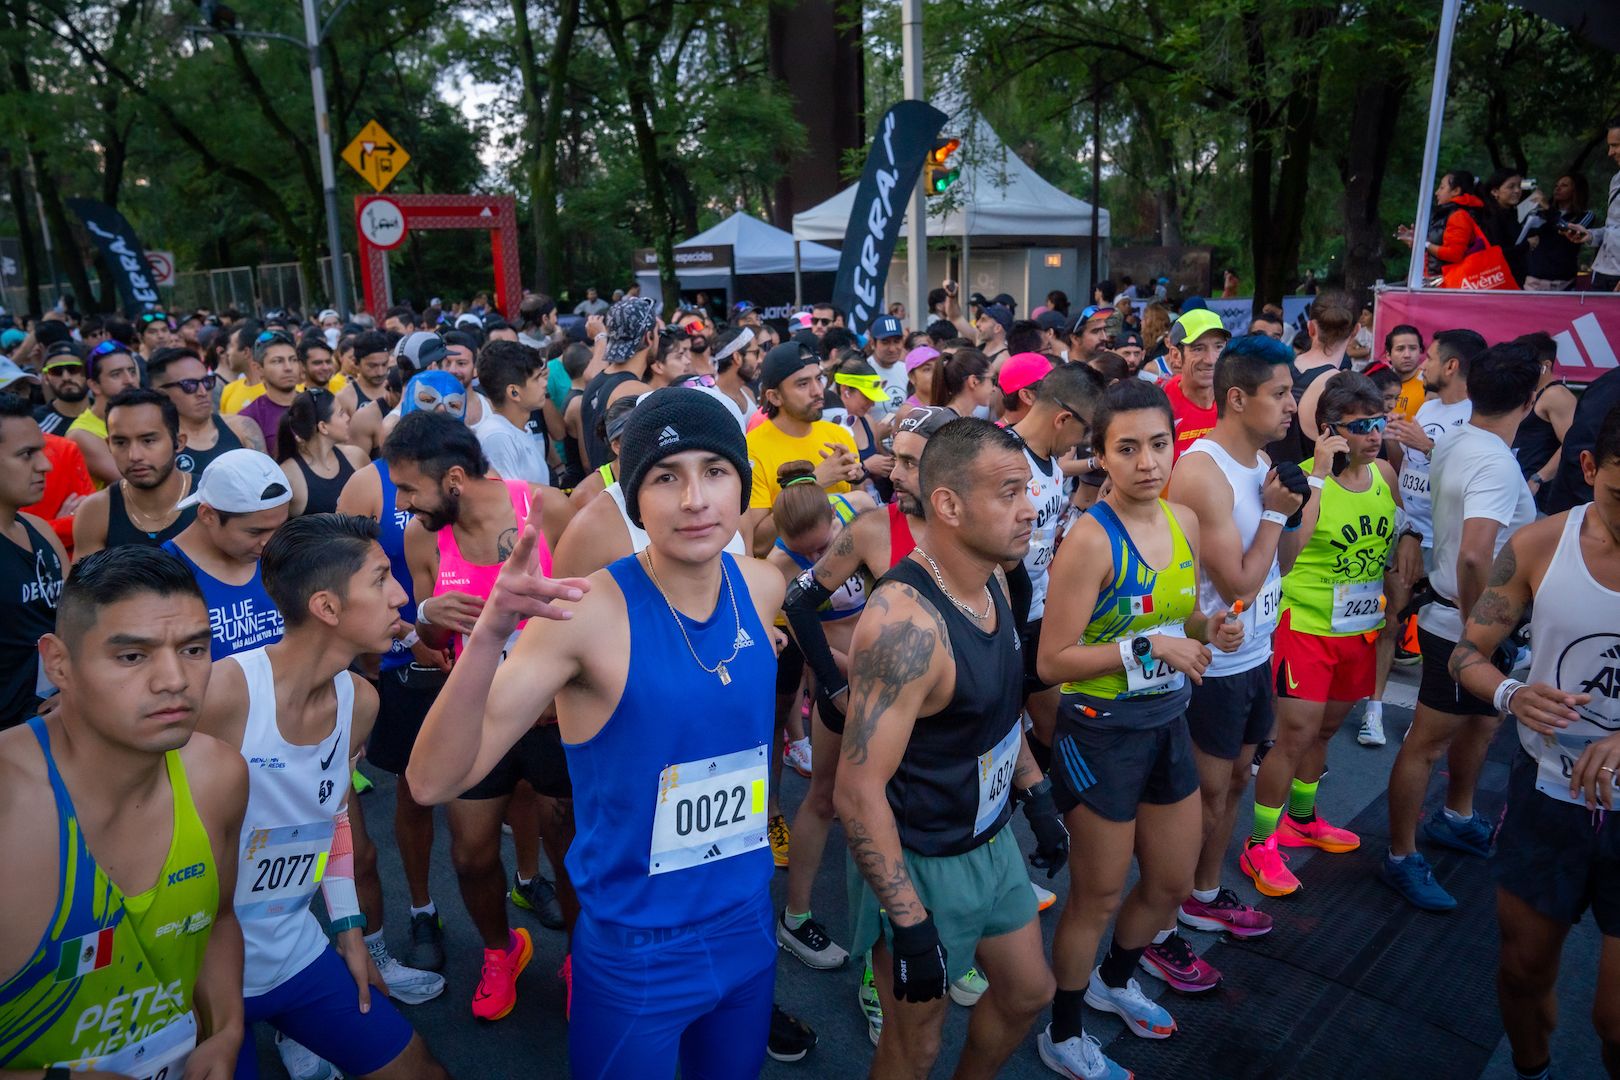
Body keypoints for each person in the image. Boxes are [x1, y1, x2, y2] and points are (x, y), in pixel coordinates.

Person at [409, 388, 806, 1077]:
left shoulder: (760, 585)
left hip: (747, 925)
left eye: (715, 471)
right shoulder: (587, 613)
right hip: (636, 947)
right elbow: (430, 780)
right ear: (634, 498)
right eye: (665, 477)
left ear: (741, 483)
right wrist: (494, 633)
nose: (694, 499)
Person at [836, 417, 1066, 1080]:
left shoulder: (993, 576)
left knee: (1028, 992)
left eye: (1028, 490)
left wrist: (1035, 791)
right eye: (1010, 493)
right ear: (948, 504)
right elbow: (856, 791)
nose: (1031, 510)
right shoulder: (903, 624)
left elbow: (995, 712)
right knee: (916, 1046)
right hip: (925, 861)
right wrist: (907, 920)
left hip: (992, 844)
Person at [196, 514, 449, 1080]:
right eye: (381, 579)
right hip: (201, 973)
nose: (402, 595)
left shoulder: (361, 701)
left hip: (296, 952)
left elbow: (330, 815)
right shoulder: (224, 693)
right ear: (327, 608)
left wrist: (350, 933)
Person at [1037, 380, 1242, 1075]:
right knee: (1095, 893)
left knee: (1172, 881)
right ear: (1100, 455)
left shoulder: (1182, 518)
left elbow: (1173, 619)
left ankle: (1114, 981)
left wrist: (1205, 628)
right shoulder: (1090, 541)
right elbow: (1053, 659)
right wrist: (1151, 648)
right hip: (1099, 729)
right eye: (1127, 448)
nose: (1147, 461)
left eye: (1159, 444)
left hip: (1166, 721)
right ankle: (1062, 1030)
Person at [0, 547, 247, 1077]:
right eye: (132, 656)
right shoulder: (7, 805)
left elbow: (219, 920)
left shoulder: (219, 776)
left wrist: (226, 1031)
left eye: (194, 649)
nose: (174, 680)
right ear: (58, 663)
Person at [1449, 403, 1620, 1080]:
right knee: (1521, 972)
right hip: (1547, 795)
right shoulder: (1538, 545)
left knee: (1615, 1021)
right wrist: (1512, 694)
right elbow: (1468, 654)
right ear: (1587, 468)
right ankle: (1532, 1069)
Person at [390, 411, 574, 1022]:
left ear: (456, 479)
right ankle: (502, 951)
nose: (402, 501)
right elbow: (427, 636)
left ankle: (582, 956)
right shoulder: (423, 536)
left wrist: (564, 686)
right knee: (469, 855)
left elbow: (599, 606)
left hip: (555, 715)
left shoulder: (547, 507)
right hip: (481, 717)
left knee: (569, 848)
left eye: (409, 488)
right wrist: (427, 614)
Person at [1380, 342, 1541, 911]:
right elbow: (1475, 553)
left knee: (1481, 725)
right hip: (1463, 622)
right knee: (1426, 742)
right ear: (1529, 400)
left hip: (1462, 614)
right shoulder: (1494, 460)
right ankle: (1401, 857)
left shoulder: (1457, 440)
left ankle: (1457, 816)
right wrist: (1479, 634)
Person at [1165, 335, 1304, 962]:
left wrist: (1294, 512)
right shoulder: (1202, 469)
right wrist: (1276, 516)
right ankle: (1164, 915)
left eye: (1292, 392)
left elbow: (1283, 569)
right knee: (1205, 791)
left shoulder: (1264, 468)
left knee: (1238, 780)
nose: (1293, 406)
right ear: (1238, 397)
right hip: (1209, 661)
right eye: (1280, 394)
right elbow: (1239, 583)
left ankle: (1204, 889)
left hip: (1254, 655)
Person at [1242, 373, 1397, 898]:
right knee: (1293, 738)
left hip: (1359, 630)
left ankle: (1302, 819)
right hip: (1304, 624)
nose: (1375, 435)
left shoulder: (1386, 475)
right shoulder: (1305, 481)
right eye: (1361, 426)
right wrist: (1323, 479)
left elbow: (1396, 533)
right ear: (1331, 431)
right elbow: (1287, 555)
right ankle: (1260, 842)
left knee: (1326, 733)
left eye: (1379, 423)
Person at [162, 449, 290, 661]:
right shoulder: (164, 576)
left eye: (279, 528)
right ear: (208, 515)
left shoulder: (285, 557)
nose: (270, 543)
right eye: (255, 532)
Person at [743, 342, 861, 552]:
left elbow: (859, 516)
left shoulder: (839, 436)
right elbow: (758, 543)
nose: (817, 391)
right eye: (803, 384)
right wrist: (812, 483)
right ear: (775, 397)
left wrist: (857, 478)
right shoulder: (752, 449)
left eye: (818, 378)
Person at [0, 393, 66, 730]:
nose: (45, 464)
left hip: (53, 727)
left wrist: (73, 691)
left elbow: (77, 623)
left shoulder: (39, 529)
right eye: (27, 454)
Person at [72, 389, 196, 558]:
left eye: (148, 440)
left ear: (179, 442)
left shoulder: (212, 500)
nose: (134, 455)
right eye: (121, 442)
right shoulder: (95, 512)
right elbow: (83, 584)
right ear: (108, 445)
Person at [150, 346, 264, 475]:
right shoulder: (151, 444)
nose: (202, 392)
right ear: (161, 393)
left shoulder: (242, 428)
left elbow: (270, 486)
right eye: (189, 385)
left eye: (207, 381)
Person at [278, 389, 369, 517]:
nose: (348, 418)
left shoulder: (357, 457)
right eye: (341, 413)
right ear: (323, 427)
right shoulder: (288, 476)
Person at [473, 340, 552, 486]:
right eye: (536, 379)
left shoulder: (515, 429)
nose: (544, 383)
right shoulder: (498, 436)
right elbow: (514, 501)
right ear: (513, 392)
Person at [1512, 331, 1577, 504]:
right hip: (1520, 490)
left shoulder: (1556, 395)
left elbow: (1573, 442)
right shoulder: (1528, 394)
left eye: (1524, 364)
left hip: (1540, 496)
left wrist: (1538, 478)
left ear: (1545, 366)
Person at [68, 341, 142, 487]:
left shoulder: (141, 417)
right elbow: (133, 483)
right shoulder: (81, 434)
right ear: (94, 385)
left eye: (132, 371)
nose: (129, 380)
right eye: (116, 374)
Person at [1161, 309, 1230, 460]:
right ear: (1176, 355)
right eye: (1198, 349)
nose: (1211, 360)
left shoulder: (1236, 401)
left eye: (1218, 347)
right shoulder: (1159, 403)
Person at [1522, 173, 1594, 291]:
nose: (1558, 188)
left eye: (1564, 185)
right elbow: (1523, 232)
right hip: (1534, 280)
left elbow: (1571, 232)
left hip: (1563, 282)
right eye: (1556, 185)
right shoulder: (1541, 212)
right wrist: (1529, 206)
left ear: (1576, 190)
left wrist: (1548, 208)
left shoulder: (1586, 215)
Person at [238, 329, 303, 459]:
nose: (288, 367)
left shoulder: (318, 403)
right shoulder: (249, 417)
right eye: (277, 361)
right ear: (258, 368)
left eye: (293, 359)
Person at [1480, 168, 1527, 286]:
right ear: (1495, 191)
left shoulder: (1512, 213)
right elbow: (1498, 253)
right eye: (1511, 187)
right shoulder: (1491, 217)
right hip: (1497, 280)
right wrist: (1527, 245)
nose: (1517, 191)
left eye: (1519, 186)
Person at [34, 342, 89, 435]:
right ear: (46, 378)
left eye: (73, 368)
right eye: (56, 371)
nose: (66, 377)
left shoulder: (109, 413)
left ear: (87, 373)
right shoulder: (37, 425)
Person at [337, 331, 393, 419]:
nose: (380, 372)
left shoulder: (399, 389)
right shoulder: (344, 398)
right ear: (356, 362)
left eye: (384, 364)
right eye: (372, 366)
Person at [931, 348, 995, 418]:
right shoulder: (950, 422)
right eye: (992, 379)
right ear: (973, 382)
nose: (994, 388)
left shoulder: (960, 417)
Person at [869, 314, 910, 410]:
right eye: (885, 342)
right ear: (872, 343)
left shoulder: (907, 370)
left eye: (896, 341)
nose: (892, 349)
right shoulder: (863, 371)